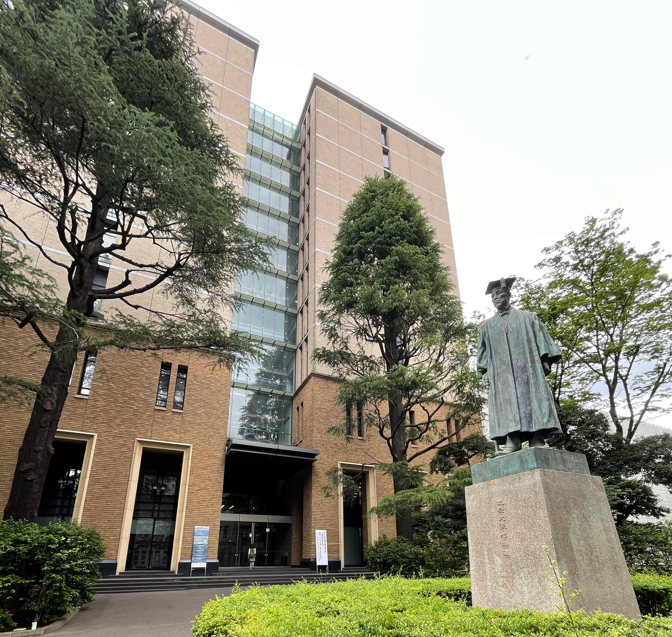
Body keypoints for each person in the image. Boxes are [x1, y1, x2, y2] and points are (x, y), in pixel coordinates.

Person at [477, 277, 562, 455]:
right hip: (501, 374)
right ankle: (512, 441)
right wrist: (484, 372)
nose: (495, 298)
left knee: (533, 399)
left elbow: (542, 340)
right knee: (506, 404)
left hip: (528, 368)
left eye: (499, 294)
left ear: (508, 295)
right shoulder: (485, 327)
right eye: (493, 296)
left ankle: (537, 438)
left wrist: (545, 360)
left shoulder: (528, 318)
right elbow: (482, 353)